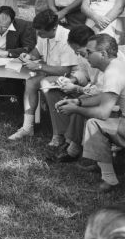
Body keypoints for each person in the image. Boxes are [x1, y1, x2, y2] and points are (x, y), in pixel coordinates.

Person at [57, 34, 125, 192]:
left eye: (89, 51)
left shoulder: (113, 73)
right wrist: (78, 102)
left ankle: (109, 181)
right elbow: (104, 96)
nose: (85, 55)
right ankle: (101, 165)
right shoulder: (116, 66)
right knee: (95, 122)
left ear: (103, 54)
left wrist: (75, 109)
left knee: (94, 124)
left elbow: (102, 113)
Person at [8, 9, 79, 140]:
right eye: (37, 31)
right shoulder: (42, 34)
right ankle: (27, 127)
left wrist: (39, 66)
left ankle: (58, 134)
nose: (38, 34)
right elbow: (37, 50)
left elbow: (65, 70)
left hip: (72, 77)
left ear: (54, 28)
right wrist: (29, 56)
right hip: (50, 72)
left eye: (41, 31)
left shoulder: (67, 38)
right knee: (30, 82)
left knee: (45, 83)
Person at [42, 25, 100, 157]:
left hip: (99, 96)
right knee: (52, 90)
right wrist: (71, 80)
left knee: (80, 101)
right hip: (88, 90)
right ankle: (61, 134)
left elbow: (101, 89)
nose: (77, 55)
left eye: (79, 52)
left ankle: (72, 144)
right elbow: (83, 73)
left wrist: (77, 89)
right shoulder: (84, 54)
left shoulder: (100, 56)